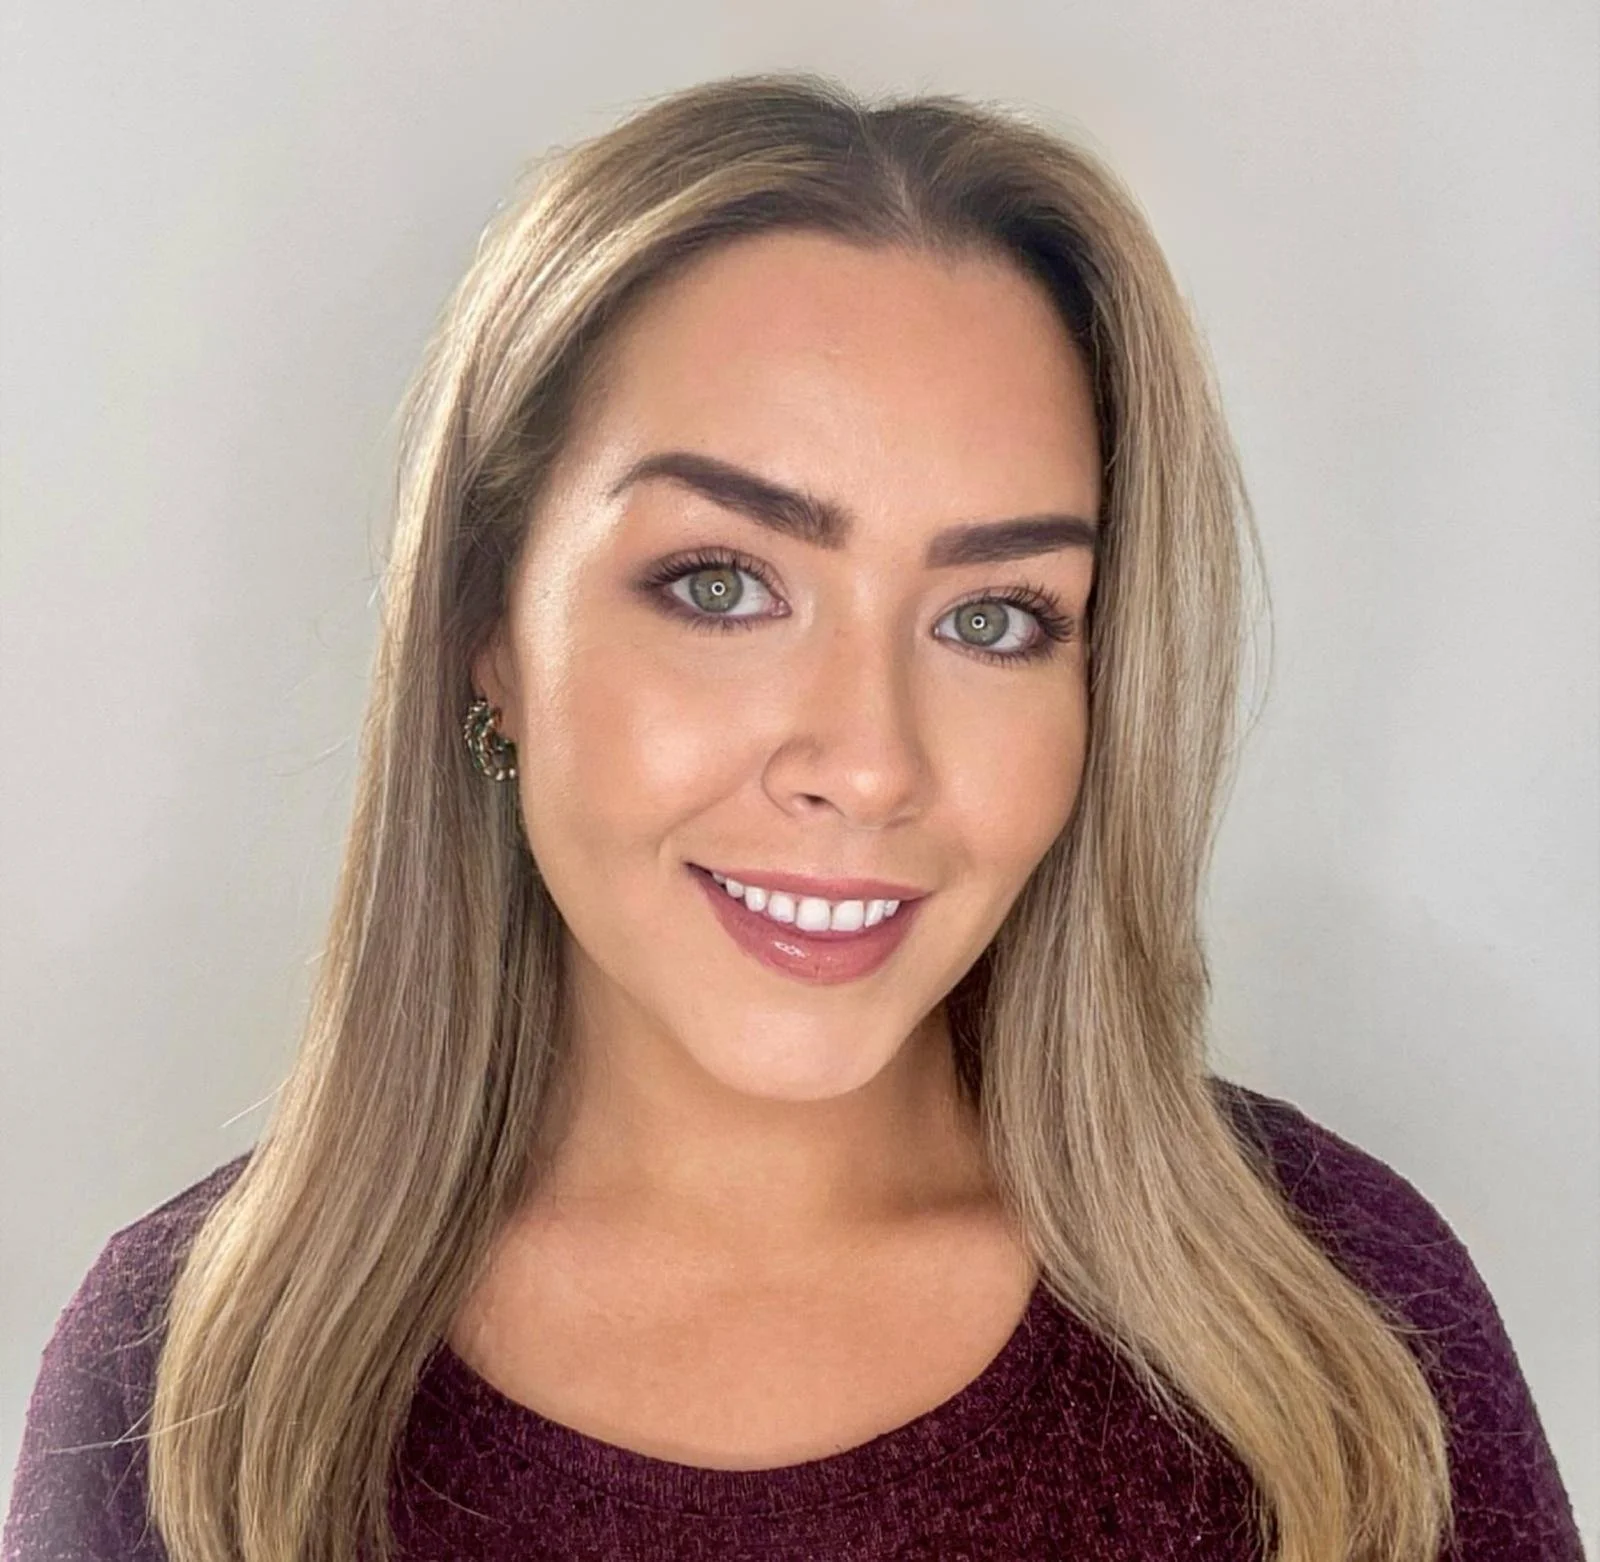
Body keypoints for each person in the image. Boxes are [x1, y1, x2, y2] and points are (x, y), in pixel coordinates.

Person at [2, 72, 1583, 1562]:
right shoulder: (191, 1391)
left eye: (995, 618)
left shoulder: (1342, 1334)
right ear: (486, 625)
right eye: (722, 583)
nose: (869, 760)